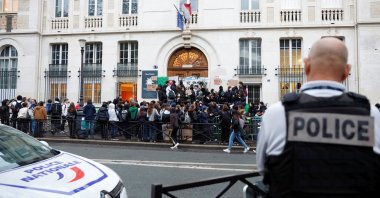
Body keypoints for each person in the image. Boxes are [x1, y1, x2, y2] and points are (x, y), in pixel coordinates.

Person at [256, 38, 380, 197]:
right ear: (346, 70)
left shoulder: (276, 113)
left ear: (306, 65)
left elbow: (263, 168)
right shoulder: (370, 114)